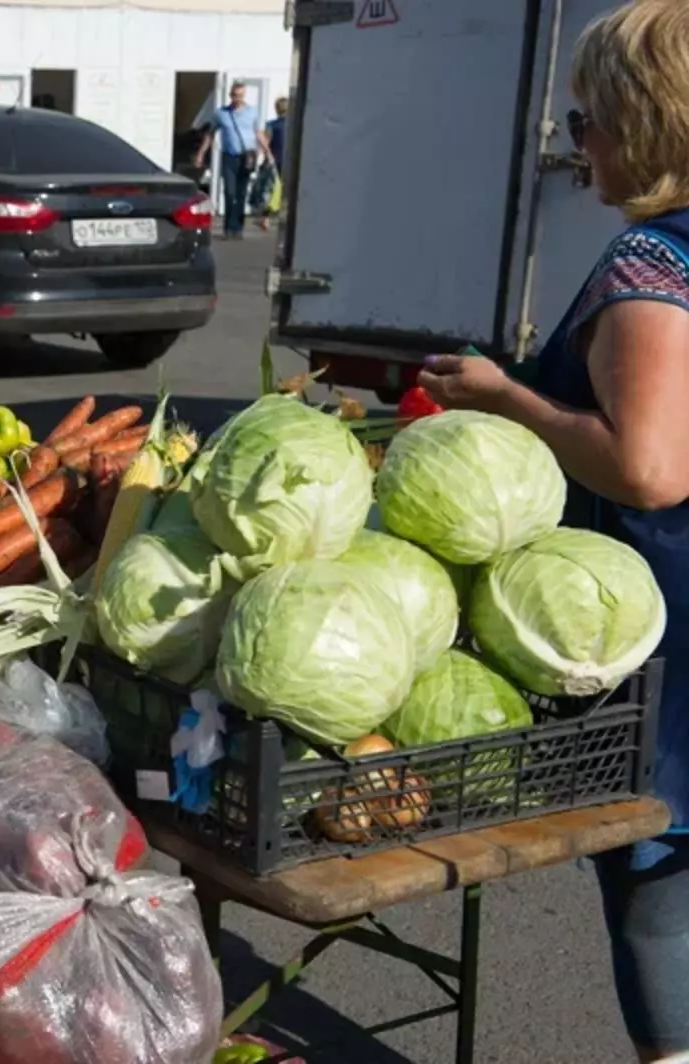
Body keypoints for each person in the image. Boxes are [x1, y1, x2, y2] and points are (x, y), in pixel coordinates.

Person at [416, 3, 689, 1059]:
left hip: (666, 632)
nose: (576, 149)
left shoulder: (650, 264)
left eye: (585, 122)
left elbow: (649, 469)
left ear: (643, 118)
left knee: (657, 893)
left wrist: (500, 398)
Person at [193, 82, 274, 239]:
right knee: (230, 192)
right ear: (230, 95)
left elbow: (258, 133)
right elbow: (210, 134)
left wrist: (267, 152)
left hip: (247, 156)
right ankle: (229, 227)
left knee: (241, 192)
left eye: (241, 95)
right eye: (235, 95)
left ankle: (238, 228)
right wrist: (201, 154)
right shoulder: (221, 113)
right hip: (229, 156)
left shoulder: (252, 113)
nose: (238, 99)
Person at [254, 97, 289, 230]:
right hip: (288, 161)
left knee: (272, 189)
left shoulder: (271, 125)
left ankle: (266, 218)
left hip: (274, 159)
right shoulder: (293, 124)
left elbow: (266, 143)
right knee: (286, 190)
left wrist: (263, 159)